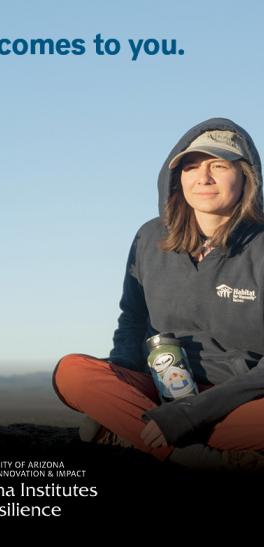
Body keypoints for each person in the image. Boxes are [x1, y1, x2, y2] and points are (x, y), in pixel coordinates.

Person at [53, 118, 264, 467]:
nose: (203, 178)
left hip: (237, 398)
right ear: (175, 178)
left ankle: (132, 430)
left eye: (219, 166)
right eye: (191, 166)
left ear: (246, 176)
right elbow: (133, 319)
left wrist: (190, 414)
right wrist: (124, 382)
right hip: (161, 384)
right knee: (71, 372)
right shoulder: (150, 238)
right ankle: (190, 455)